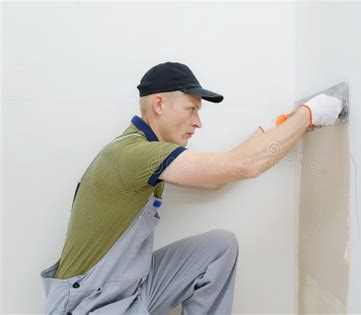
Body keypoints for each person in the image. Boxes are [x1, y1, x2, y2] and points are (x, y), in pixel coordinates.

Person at [39, 61, 342, 315]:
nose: (198, 122)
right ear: (159, 104)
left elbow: (219, 175)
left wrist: (283, 128)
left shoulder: (147, 147)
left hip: (130, 290)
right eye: (191, 109)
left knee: (219, 248)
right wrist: (308, 114)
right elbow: (242, 166)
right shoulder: (134, 155)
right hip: (87, 304)